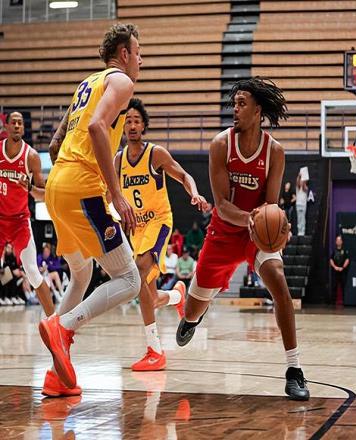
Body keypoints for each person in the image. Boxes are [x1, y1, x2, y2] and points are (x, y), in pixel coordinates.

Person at [176, 77, 309, 400]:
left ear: (258, 110)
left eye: (241, 104)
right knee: (190, 313)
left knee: (279, 284)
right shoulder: (221, 145)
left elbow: (271, 205)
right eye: (234, 104)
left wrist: (274, 225)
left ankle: (294, 370)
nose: (234, 110)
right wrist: (251, 219)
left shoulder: (275, 152)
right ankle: (195, 314)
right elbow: (221, 205)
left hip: (255, 237)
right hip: (223, 232)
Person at [38, 23, 143, 397]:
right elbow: (98, 128)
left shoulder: (87, 83)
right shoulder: (121, 82)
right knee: (129, 280)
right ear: (124, 54)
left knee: (81, 274)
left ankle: (55, 376)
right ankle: (63, 327)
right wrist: (115, 194)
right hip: (83, 188)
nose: (141, 61)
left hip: (57, 185)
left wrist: (69, 178)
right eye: (138, 53)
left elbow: (55, 143)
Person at [116, 97, 207, 371]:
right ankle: (178, 295)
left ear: (144, 126)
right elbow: (110, 194)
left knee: (137, 273)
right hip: (135, 228)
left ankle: (155, 351)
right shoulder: (118, 160)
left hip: (158, 221)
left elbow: (184, 176)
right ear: (123, 126)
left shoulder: (155, 154)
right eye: (128, 121)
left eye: (136, 121)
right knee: (150, 297)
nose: (132, 125)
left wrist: (194, 193)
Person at [0, 111, 55, 314]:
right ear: (6, 127)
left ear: (23, 128)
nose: (17, 125)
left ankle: (53, 321)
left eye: (20, 123)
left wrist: (30, 187)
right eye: (13, 122)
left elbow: (44, 195)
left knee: (32, 271)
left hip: (19, 222)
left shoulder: (31, 156)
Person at [329, 235, 350, 304]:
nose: (338, 241)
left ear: (342, 241)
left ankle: (345, 301)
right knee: (334, 286)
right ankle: (333, 301)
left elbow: (347, 260)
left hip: (343, 271)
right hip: (335, 271)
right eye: (337, 240)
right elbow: (331, 260)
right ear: (336, 242)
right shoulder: (334, 251)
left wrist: (343, 267)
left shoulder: (345, 250)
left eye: (339, 240)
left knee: (343, 286)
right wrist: (335, 267)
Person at [295, 172, 308, 236]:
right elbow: (297, 182)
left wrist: (303, 178)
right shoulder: (297, 188)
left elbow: (304, 184)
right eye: (300, 181)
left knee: (302, 218)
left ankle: (302, 231)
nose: (301, 182)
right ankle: (299, 231)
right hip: (298, 204)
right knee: (299, 218)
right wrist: (299, 176)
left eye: (302, 181)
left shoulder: (305, 188)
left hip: (303, 205)